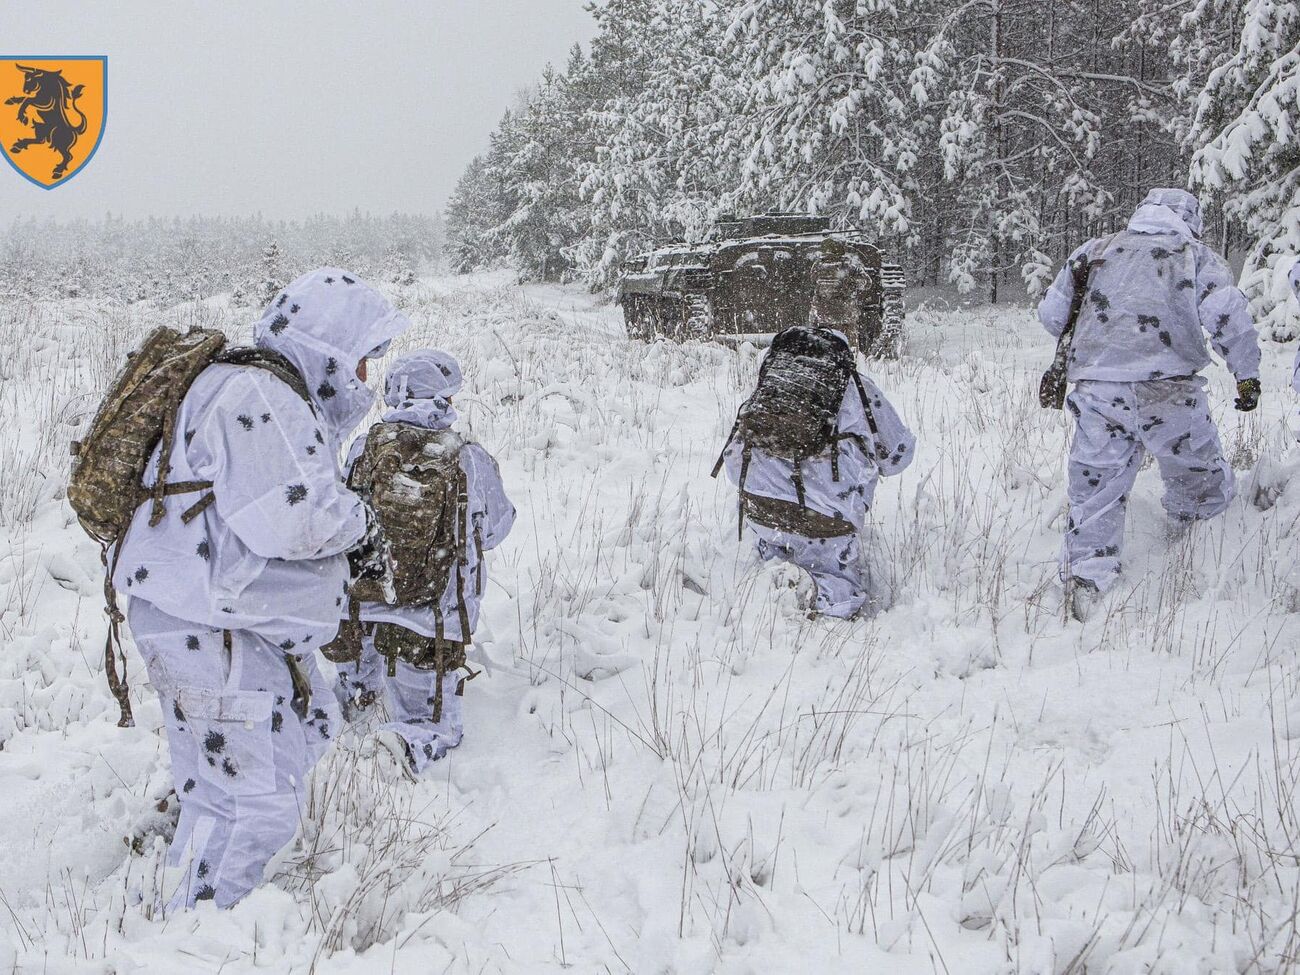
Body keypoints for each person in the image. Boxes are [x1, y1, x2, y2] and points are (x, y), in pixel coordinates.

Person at [115, 268, 410, 910]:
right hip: (212, 629)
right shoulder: (261, 395)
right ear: (325, 346)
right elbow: (296, 519)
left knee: (237, 783)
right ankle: (202, 932)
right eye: (359, 361)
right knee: (256, 807)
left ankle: (182, 905)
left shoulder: (242, 384)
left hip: (208, 623)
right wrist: (363, 521)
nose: (364, 381)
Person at [1037, 188, 1261, 620]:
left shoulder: (1095, 251)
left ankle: (1086, 580)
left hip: (1100, 392)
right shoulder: (1195, 256)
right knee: (1198, 477)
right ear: (1189, 219)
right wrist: (1246, 375)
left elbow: (1052, 315)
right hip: (1170, 392)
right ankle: (1193, 551)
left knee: (1095, 489)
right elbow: (1228, 316)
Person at [337, 350, 515, 777]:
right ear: (445, 399)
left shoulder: (365, 448)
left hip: (362, 606)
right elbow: (497, 527)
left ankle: (347, 726)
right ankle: (403, 754)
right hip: (433, 618)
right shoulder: (468, 457)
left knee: (352, 696)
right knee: (430, 722)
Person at [716, 252, 915, 619]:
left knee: (775, 558)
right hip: (826, 522)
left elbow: (734, 454)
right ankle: (828, 608)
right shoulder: (856, 385)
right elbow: (898, 456)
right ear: (851, 323)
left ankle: (772, 593)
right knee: (836, 586)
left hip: (760, 506)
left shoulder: (776, 370)